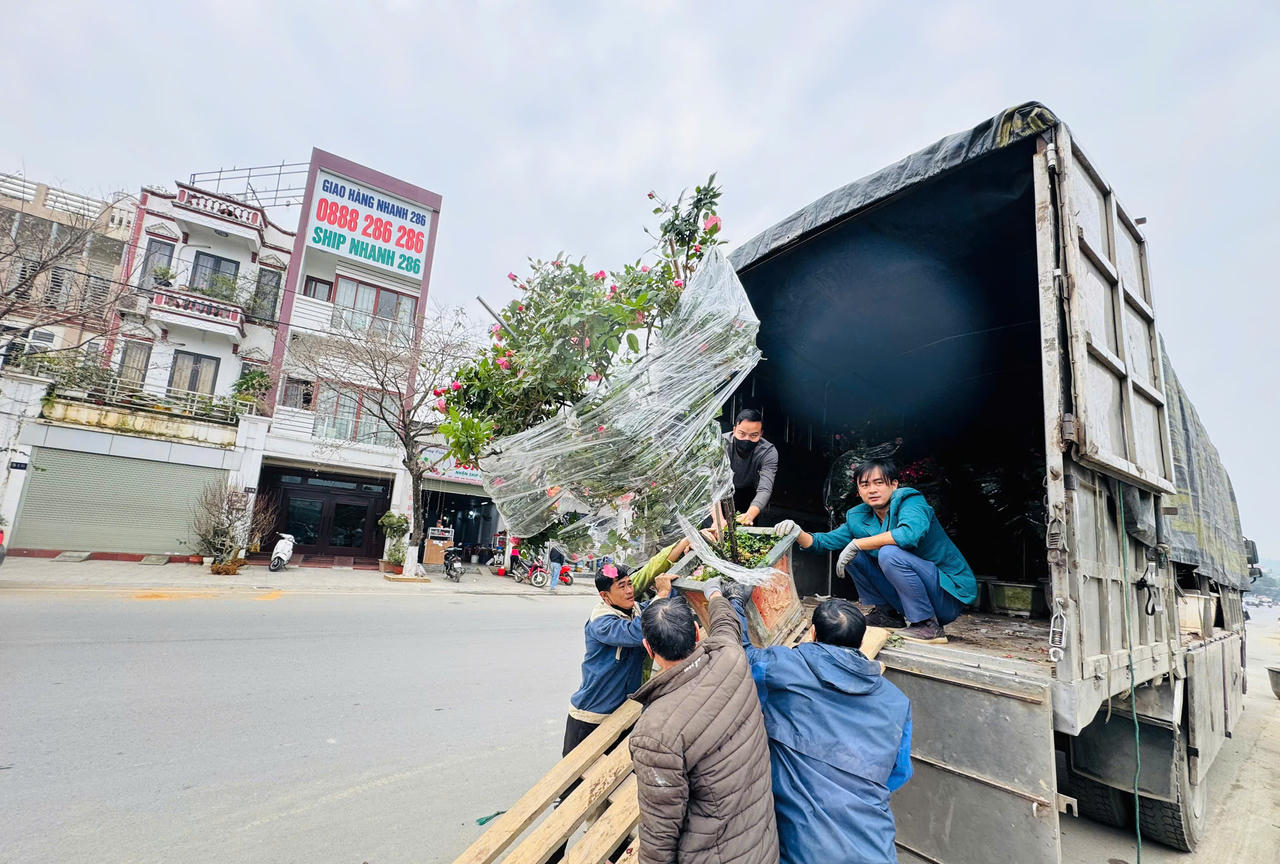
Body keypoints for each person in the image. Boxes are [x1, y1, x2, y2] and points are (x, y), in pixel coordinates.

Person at [728, 594, 912, 864]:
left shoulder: (783, 669)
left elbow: (739, 657)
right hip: (875, 848)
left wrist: (733, 603)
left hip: (805, 847)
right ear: (861, 641)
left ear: (812, 633)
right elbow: (899, 772)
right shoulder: (898, 701)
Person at [628, 581, 779, 864]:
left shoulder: (655, 733)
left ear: (648, 648)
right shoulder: (731, 657)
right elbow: (726, 626)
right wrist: (717, 594)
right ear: (697, 633)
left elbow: (659, 832)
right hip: (762, 845)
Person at [774, 458, 976, 644]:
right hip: (908, 596)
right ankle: (887, 614)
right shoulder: (859, 517)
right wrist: (797, 532)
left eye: (879, 483)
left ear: (894, 485)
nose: (872, 490)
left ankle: (927, 625)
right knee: (854, 555)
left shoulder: (910, 501)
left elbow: (909, 535)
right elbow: (823, 542)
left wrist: (858, 544)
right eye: (865, 485)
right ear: (859, 491)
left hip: (946, 596)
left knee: (887, 552)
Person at [720, 408, 779, 527]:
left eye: (753, 435)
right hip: (719, 493)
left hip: (747, 494)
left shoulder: (768, 452)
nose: (747, 439)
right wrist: (718, 519)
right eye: (742, 433)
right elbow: (710, 484)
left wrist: (750, 515)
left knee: (745, 532)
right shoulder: (720, 444)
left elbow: (764, 489)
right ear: (734, 429)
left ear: (761, 434)